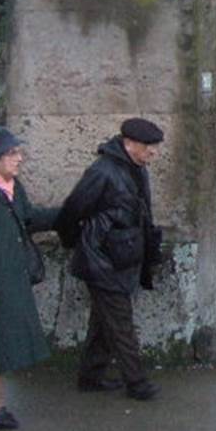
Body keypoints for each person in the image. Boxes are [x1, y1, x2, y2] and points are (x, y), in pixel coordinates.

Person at [55, 118, 165, 402]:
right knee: (120, 322)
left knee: (104, 322)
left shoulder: (137, 170)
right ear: (129, 144)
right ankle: (137, 383)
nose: (154, 152)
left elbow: (143, 215)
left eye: (155, 147)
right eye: (149, 147)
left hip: (122, 258)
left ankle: (90, 377)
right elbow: (72, 210)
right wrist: (77, 243)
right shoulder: (102, 172)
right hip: (102, 260)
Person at [0, 126, 58, 430]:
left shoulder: (12, 187)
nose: (19, 158)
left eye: (19, 152)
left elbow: (28, 217)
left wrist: (68, 214)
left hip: (10, 277)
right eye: (12, 153)